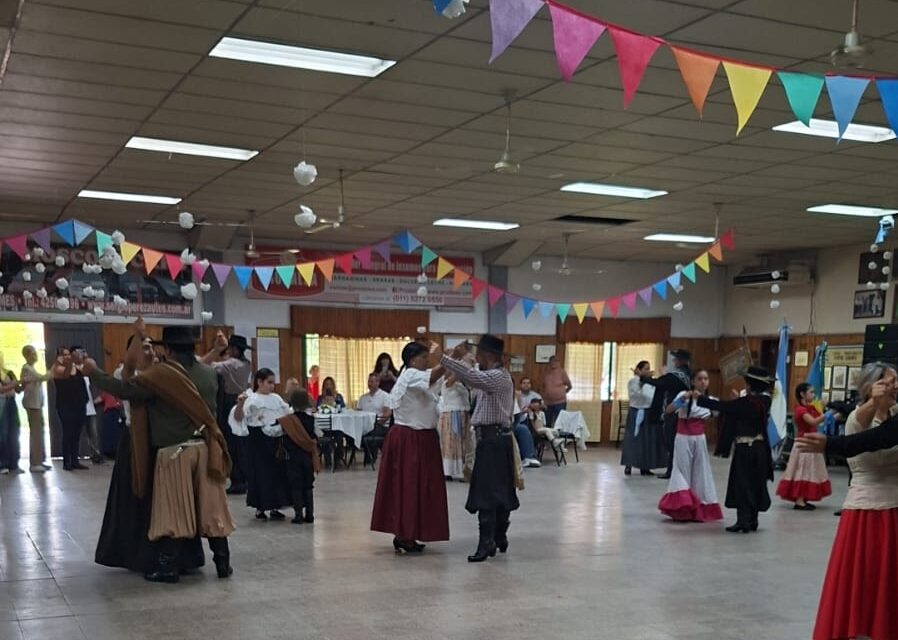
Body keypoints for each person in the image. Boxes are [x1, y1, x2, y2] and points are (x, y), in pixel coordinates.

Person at [83, 325, 235, 583]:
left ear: (167, 349)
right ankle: (223, 563)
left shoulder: (159, 376)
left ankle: (167, 568)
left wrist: (93, 373)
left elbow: (125, 391)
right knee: (211, 509)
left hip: (173, 453)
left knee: (174, 511)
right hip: (206, 449)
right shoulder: (210, 374)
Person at [797, 362, 898, 640]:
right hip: (866, 510)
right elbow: (870, 445)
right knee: (863, 583)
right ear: (871, 386)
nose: (895, 386)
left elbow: (887, 435)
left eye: (896, 381)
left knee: (889, 586)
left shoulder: (896, 415)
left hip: (895, 508)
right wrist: (874, 406)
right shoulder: (855, 418)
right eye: (889, 382)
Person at [442, 335, 519, 563]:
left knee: (489, 493)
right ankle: (497, 538)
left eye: (480, 355)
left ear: (488, 356)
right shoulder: (495, 376)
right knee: (499, 491)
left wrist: (448, 358)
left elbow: (472, 376)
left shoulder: (497, 377)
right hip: (493, 441)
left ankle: (488, 542)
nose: (477, 359)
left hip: (494, 441)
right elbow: (473, 376)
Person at [371, 340, 448, 553]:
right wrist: (447, 359)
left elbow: (437, 379)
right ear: (413, 359)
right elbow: (433, 375)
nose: (427, 361)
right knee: (409, 486)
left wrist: (454, 363)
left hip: (421, 437)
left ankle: (409, 532)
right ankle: (404, 532)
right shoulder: (411, 374)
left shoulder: (417, 377)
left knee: (419, 487)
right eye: (424, 357)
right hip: (411, 438)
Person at [695, 366, 774, 533]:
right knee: (756, 483)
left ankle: (743, 521)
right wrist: (741, 399)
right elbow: (745, 406)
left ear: (750, 386)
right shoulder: (765, 401)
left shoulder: (744, 403)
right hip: (760, 449)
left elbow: (723, 406)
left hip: (745, 450)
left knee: (742, 483)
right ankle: (753, 520)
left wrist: (700, 398)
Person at [657, 370, 723, 523]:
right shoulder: (684, 395)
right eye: (699, 379)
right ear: (694, 381)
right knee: (681, 470)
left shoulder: (710, 399)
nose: (703, 382)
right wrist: (683, 399)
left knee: (700, 472)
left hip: (699, 439)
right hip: (683, 438)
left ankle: (700, 506)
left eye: (706, 379)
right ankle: (682, 507)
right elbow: (668, 410)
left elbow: (718, 412)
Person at [230, 368, 292, 521]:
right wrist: (240, 404)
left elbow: (287, 412)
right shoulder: (251, 398)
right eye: (269, 382)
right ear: (260, 382)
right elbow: (238, 418)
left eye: (273, 382)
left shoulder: (276, 398)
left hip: (275, 439)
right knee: (260, 473)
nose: (272, 386)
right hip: (257, 441)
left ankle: (275, 505)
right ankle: (260, 507)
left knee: (277, 472)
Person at [201, 333, 253, 495]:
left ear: (235, 349)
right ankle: (244, 477)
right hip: (242, 401)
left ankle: (237, 478)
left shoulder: (231, 365)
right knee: (242, 441)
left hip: (230, 402)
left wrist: (216, 351)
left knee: (231, 442)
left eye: (230, 348)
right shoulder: (247, 364)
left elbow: (207, 365)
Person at [775, 383, 832, 510]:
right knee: (802, 471)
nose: (813, 394)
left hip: (810, 442)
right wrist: (826, 415)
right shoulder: (801, 410)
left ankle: (803, 498)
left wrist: (824, 410)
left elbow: (817, 419)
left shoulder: (810, 408)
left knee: (809, 471)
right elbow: (812, 421)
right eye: (811, 392)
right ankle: (799, 500)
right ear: (802, 394)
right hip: (804, 442)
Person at [641, 349, 692, 479]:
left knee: (671, 441)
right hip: (687, 413)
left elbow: (659, 383)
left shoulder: (676, 375)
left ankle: (672, 470)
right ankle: (677, 469)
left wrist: (643, 377)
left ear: (680, 361)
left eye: (675, 359)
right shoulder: (691, 374)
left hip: (674, 411)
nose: (674, 361)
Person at [280, 390, 321, 524]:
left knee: (295, 486)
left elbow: (274, 432)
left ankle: (298, 515)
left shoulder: (287, 421)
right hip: (308, 457)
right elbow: (318, 434)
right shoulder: (311, 419)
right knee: (308, 485)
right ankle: (310, 515)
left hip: (293, 458)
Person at [620, 360, 664, 476]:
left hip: (648, 412)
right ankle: (628, 465)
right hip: (636, 411)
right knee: (633, 439)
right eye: (645, 368)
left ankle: (645, 467)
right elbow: (636, 395)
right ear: (639, 370)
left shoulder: (650, 382)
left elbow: (652, 396)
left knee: (647, 440)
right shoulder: (633, 381)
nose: (648, 371)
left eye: (649, 368)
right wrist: (641, 381)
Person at [52, 346, 89, 471]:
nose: (68, 356)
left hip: (79, 405)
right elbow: (66, 375)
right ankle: (66, 462)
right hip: (65, 406)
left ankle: (75, 460)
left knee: (76, 434)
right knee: (68, 432)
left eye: (69, 354)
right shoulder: (57, 369)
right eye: (65, 354)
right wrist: (71, 363)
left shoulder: (76, 368)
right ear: (59, 357)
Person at [20, 345, 51, 472]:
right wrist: (51, 371)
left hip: (37, 404)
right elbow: (41, 378)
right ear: (27, 355)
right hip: (32, 404)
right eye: (32, 353)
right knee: (36, 433)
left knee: (40, 432)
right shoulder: (27, 368)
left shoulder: (32, 368)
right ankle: (35, 463)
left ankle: (40, 459)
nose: (35, 355)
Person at [437, 371, 472, 481]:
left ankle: (463, 470)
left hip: (463, 413)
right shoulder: (446, 383)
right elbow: (455, 375)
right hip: (452, 414)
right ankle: (448, 471)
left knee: (463, 443)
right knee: (451, 443)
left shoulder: (462, 385)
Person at [0, 354, 22, 474]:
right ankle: (2, 463)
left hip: (12, 403)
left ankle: (14, 463)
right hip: (1, 402)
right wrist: (13, 384)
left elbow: (17, 389)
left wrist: (21, 383)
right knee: (2, 433)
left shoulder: (9, 372)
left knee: (14, 432)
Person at [541, 356, 571, 427]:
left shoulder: (562, 372)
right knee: (547, 422)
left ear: (558, 363)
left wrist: (563, 392)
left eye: (555, 361)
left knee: (559, 422)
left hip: (560, 402)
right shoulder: (546, 373)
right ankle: (548, 437)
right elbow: (543, 387)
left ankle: (559, 437)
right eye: (551, 361)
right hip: (547, 403)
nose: (553, 363)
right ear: (549, 363)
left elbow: (569, 385)